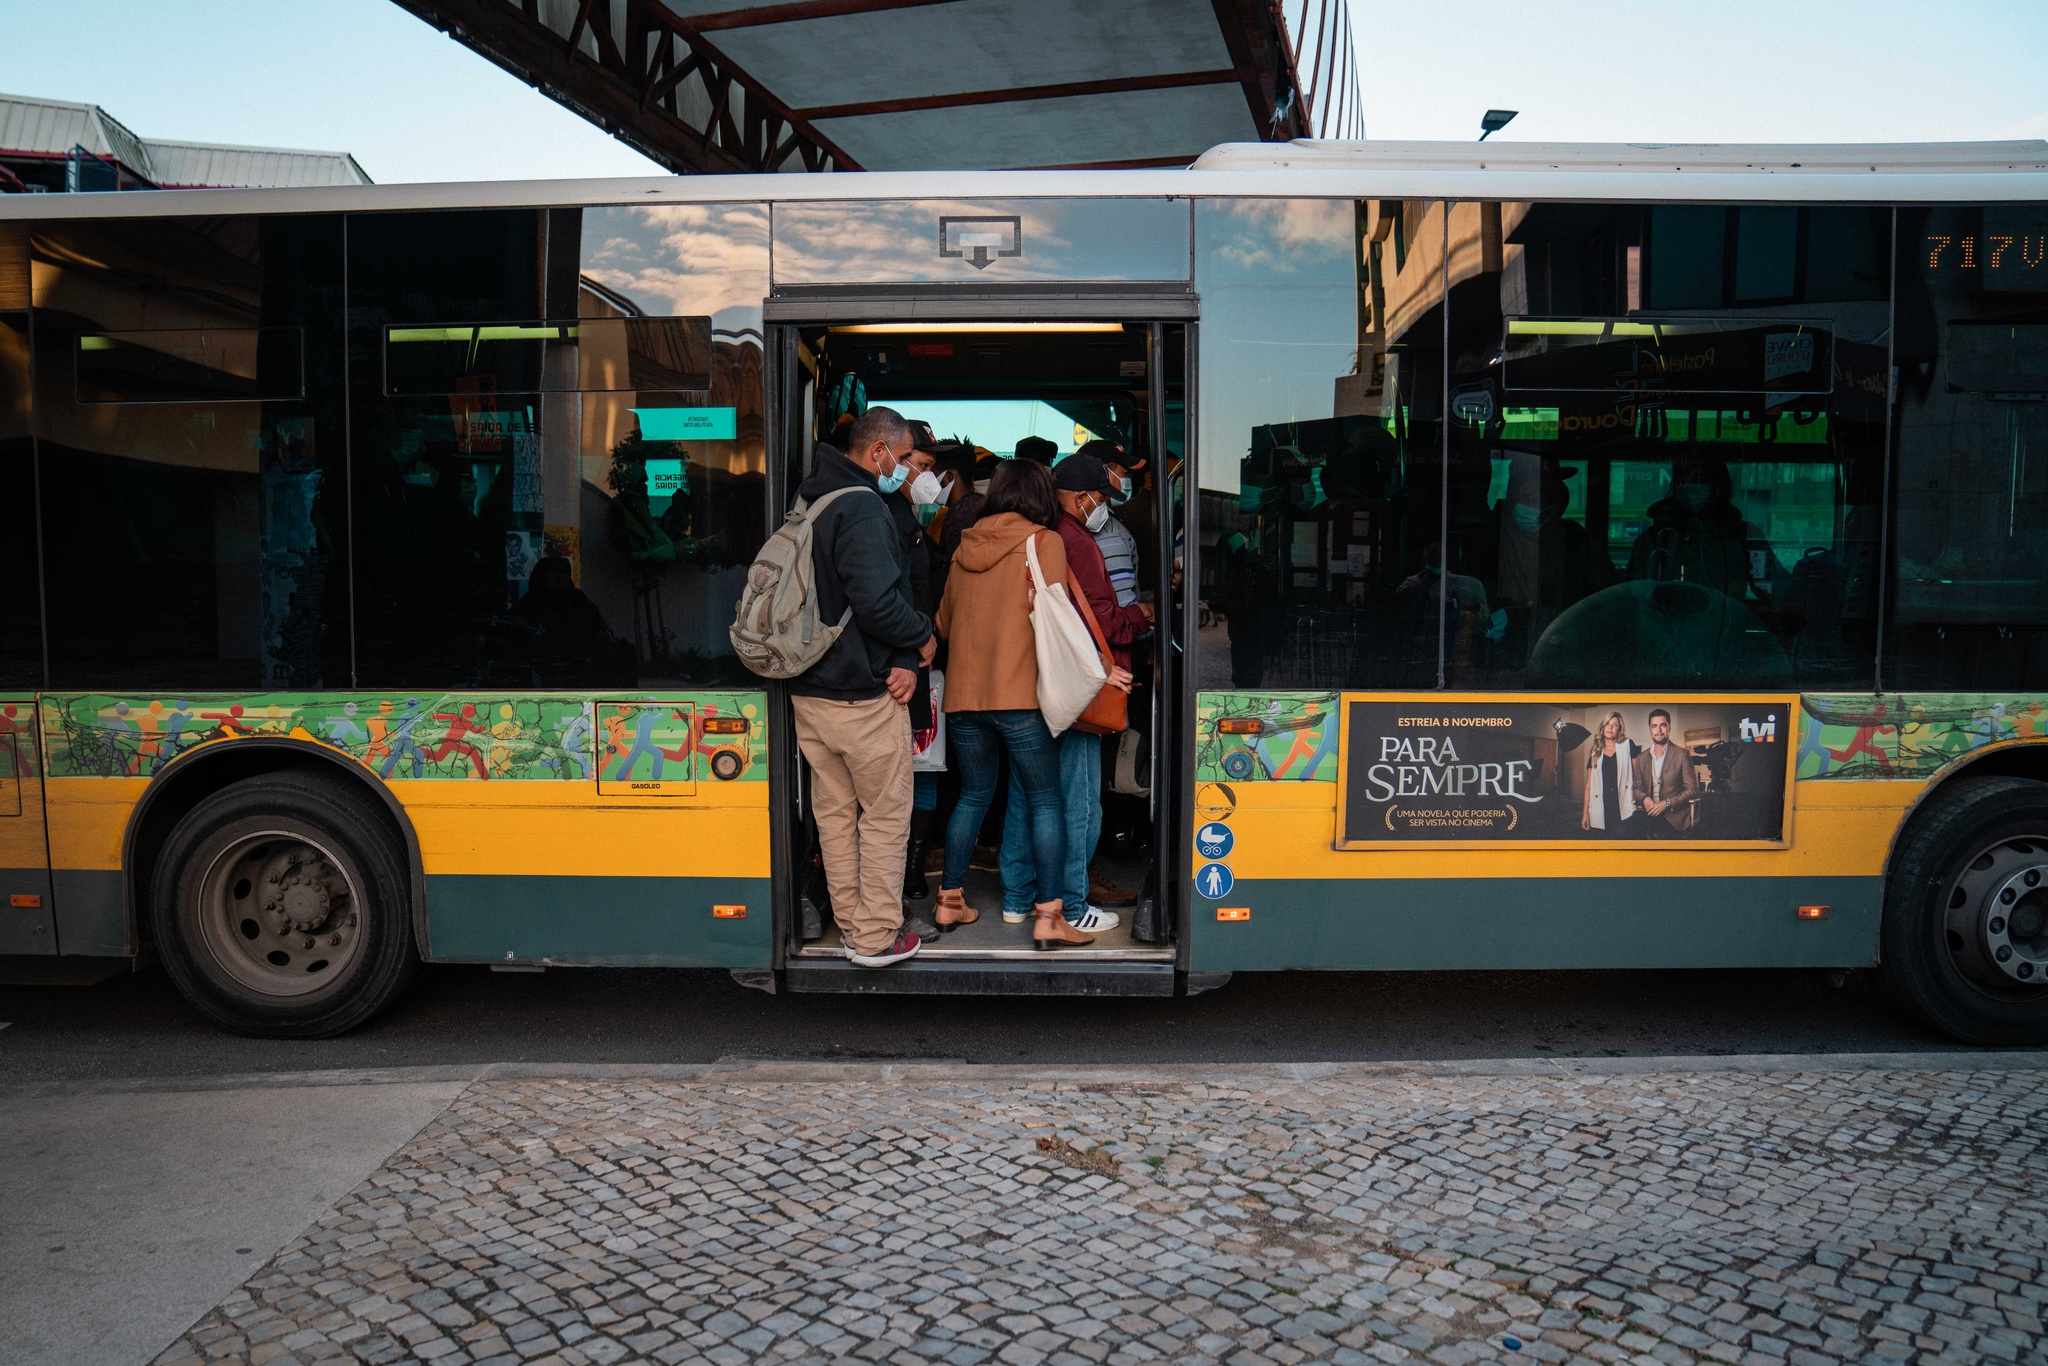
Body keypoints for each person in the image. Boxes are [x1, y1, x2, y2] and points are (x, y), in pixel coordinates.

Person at [936, 460, 1121, 949]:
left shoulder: (963, 546)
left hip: (963, 699)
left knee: (973, 797)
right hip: (1019, 699)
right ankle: (1049, 916)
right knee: (1045, 800)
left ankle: (949, 900)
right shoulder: (1045, 542)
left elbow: (945, 626)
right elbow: (1055, 619)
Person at [788, 406, 937, 968]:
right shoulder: (865, 508)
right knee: (882, 816)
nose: (902, 469)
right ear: (877, 453)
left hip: (810, 691)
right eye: (901, 459)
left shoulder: (812, 498)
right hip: (860, 695)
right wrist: (921, 637)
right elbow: (877, 603)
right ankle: (876, 937)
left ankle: (852, 925)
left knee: (834, 812)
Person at [994, 452, 1144, 932]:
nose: (1103, 507)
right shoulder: (1074, 541)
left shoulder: (1033, 536)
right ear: (1081, 498)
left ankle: (1017, 898)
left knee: (1027, 795)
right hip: (1076, 690)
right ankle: (1073, 907)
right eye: (1101, 497)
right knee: (1079, 801)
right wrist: (1114, 656)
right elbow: (1085, 622)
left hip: (1030, 685)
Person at [1630, 706, 1700, 836]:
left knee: (1663, 840)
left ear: (1669, 727)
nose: (1659, 730)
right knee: (1622, 831)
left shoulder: (1682, 754)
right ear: (1650, 729)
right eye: (1654, 726)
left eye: (1663, 725)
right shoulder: (1641, 758)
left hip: (1674, 817)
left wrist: (1667, 803)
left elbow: (1692, 790)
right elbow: (1637, 788)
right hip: (1649, 813)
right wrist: (1645, 798)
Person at [1580, 710, 1638, 835]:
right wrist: (1585, 813)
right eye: (1607, 724)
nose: (1610, 728)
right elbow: (1588, 786)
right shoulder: (1595, 752)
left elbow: (1638, 777)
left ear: (1620, 728)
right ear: (1603, 726)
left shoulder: (1628, 745)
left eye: (1615, 725)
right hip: (1601, 807)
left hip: (1623, 805)